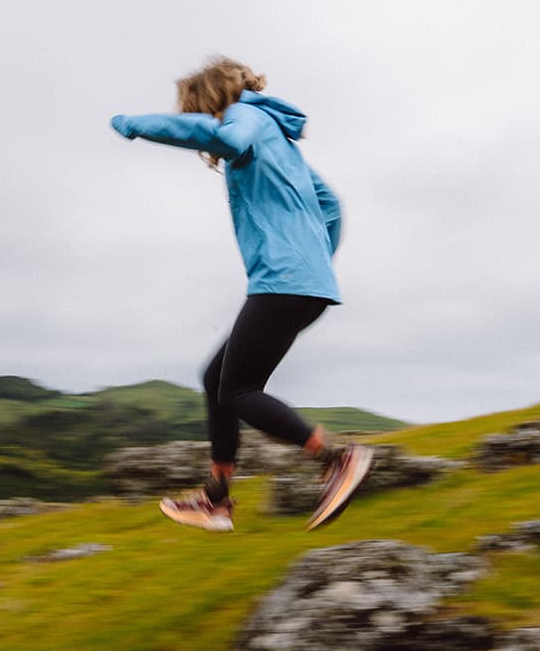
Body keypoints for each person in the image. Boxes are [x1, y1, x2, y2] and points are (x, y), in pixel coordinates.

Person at [109, 56, 372, 532]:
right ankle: (216, 499)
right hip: (302, 282)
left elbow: (224, 139)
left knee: (239, 390)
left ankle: (336, 460)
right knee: (216, 380)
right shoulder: (279, 140)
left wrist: (137, 126)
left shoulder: (243, 117)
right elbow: (330, 204)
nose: (199, 119)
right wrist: (314, 260)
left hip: (284, 280)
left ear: (208, 101)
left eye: (196, 110)